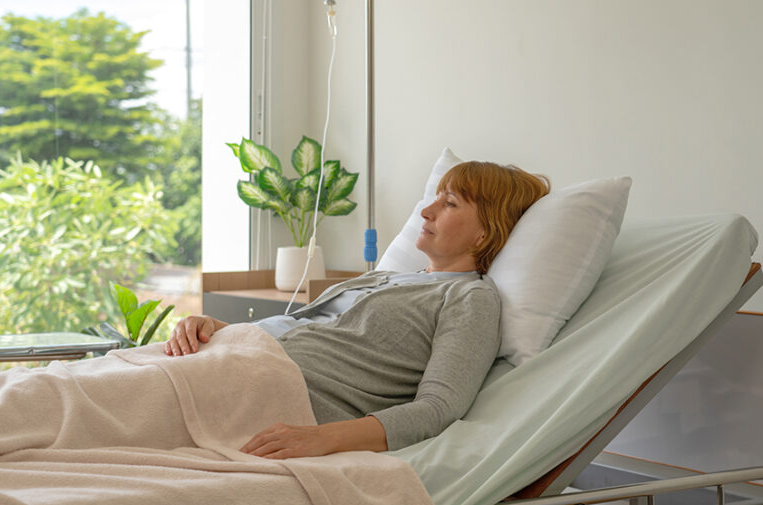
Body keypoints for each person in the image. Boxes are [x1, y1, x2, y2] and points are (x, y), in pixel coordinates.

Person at [165, 161, 550, 460]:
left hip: (269, 387)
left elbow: (437, 408)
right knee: (114, 375)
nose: (426, 211)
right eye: (435, 198)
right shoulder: (384, 278)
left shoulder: (470, 299)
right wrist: (219, 327)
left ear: (485, 233)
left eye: (449, 203)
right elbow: (305, 328)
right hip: (230, 355)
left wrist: (323, 438)